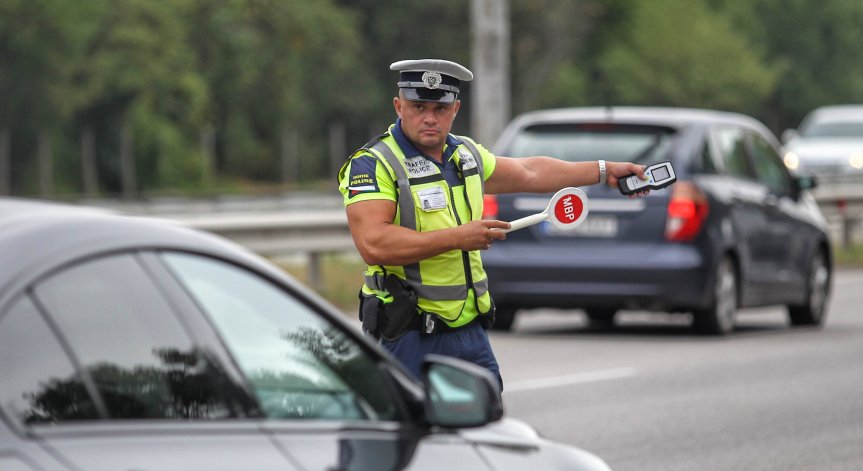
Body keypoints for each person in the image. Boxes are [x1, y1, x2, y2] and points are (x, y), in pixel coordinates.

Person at [337, 59, 648, 390]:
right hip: (406, 333)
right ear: (399, 107)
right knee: (411, 423)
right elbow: (374, 243)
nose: (429, 118)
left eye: (440, 108)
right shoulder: (373, 163)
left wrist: (603, 170)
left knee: (487, 418)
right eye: (418, 107)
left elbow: (529, 171)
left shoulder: (465, 154)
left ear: (455, 109)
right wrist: (458, 238)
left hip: (469, 329)